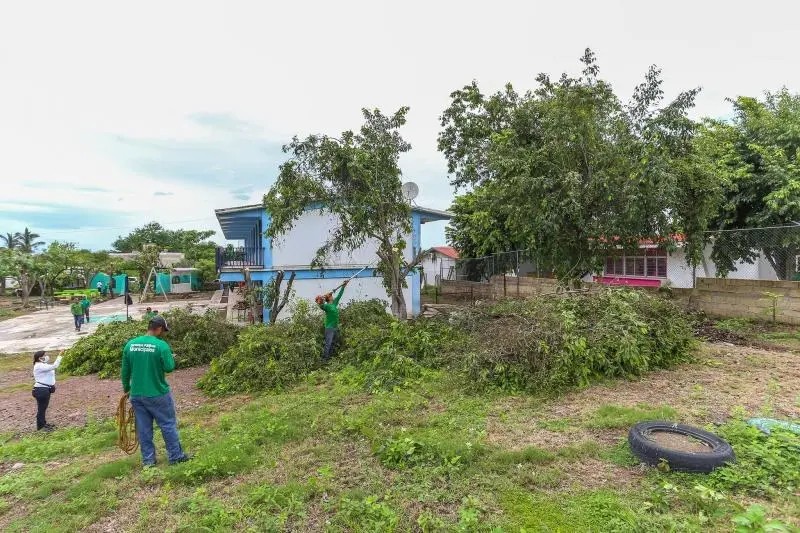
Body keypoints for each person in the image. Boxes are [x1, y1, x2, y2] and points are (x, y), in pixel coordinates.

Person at [121, 316, 190, 467]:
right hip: (158, 394)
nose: (163, 333)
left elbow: (125, 371)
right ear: (158, 328)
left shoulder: (130, 345)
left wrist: (127, 390)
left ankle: (148, 461)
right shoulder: (161, 346)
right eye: (163, 330)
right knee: (167, 424)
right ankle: (175, 456)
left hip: (137, 395)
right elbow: (169, 367)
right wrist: (170, 357)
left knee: (143, 429)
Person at [315, 280, 347, 362]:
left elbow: (339, 295)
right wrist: (320, 298)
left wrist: (343, 286)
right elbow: (320, 304)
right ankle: (324, 359)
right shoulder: (326, 306)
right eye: (331, 296)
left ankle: (330, 358)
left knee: (333, 343)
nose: (332, 296)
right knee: (328, 344)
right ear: (328, 298)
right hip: (329, 328)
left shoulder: (334, 304)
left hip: (335, 327)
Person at [32, 350, 64, 431]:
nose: (46, 356)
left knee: (43, 408)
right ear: (40, 358)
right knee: (41, 409)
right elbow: (55, 366)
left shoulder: (43, 365)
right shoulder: (39, 366)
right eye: (44, 355)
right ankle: (41, 427)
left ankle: (44, 424)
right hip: (41, 390)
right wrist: (60, 355)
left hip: (44, 389)